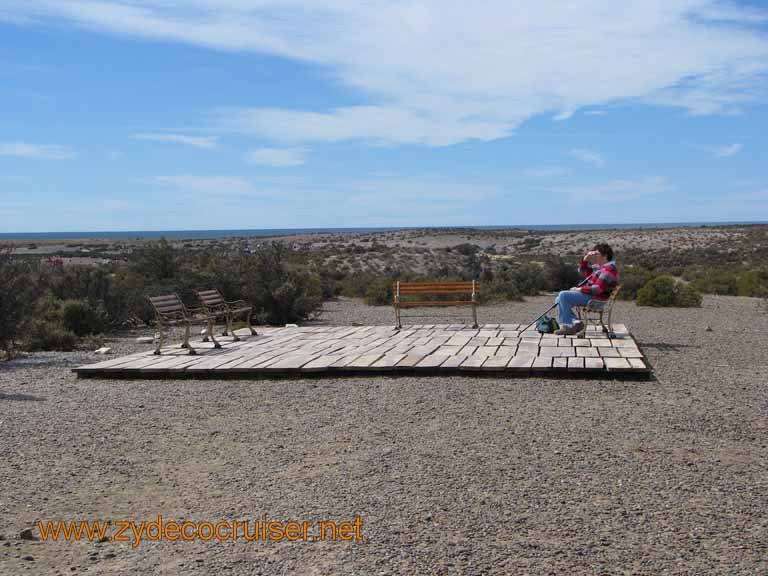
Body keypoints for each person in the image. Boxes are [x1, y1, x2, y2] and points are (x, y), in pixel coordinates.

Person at [554, 243, 619, 335]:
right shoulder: (601, 268)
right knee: (558, 299)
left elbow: (597, 289)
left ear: (605, 255)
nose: (594, 256)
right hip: (593, 296)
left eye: (597, 254)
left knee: (563, 295)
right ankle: (576, 323)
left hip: (596, 299)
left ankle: (568, 326)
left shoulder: (609, 270)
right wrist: (585, 260)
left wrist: (579, 289)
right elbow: (583, 272)